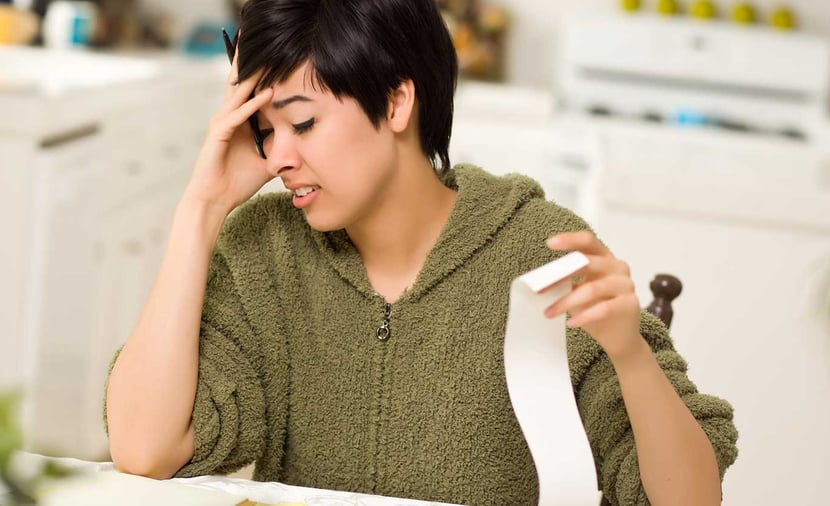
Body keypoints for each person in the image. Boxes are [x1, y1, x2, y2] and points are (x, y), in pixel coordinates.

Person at [104, 0, 738, 504]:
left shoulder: (537, 251)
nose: (278, 158)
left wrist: (630, 354)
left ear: (396, 101)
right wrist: (202, 208)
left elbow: (690, 500)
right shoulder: (264, 252)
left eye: (303, 123)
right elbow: (144, 450)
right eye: (264, 132)